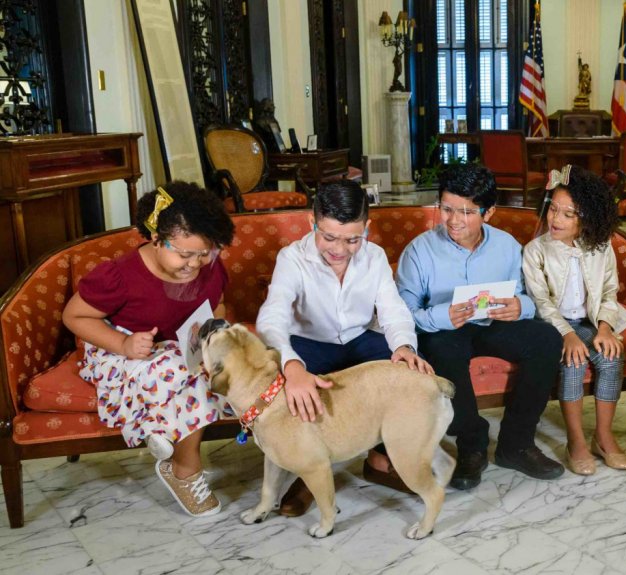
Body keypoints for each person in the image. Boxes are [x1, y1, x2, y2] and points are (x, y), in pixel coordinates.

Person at [257, 180, 432, 516]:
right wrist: (291, 366)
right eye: (329, 237)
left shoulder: (375, 256)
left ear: (367, 228)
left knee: (410, 372)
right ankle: (307, 472)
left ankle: (382, 459)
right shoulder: (291, 258)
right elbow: (272, 316)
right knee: (289, 386)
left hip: (360, 338)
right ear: (312, 222)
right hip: (309, 345)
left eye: (352, 239)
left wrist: (405, 346)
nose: (339, 249)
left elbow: (393, 310)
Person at [64, 181, 235, 518]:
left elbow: (218, 304)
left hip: (178, 344)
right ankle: (184, 469)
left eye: (205, 253)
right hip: (120, 348)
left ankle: (161, 428)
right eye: (184, 254)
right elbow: (74, 315)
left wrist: (214, 333)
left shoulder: (209, 266)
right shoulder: (120, 276)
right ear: (155, 239)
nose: (195, 264)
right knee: (173, 369)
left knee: (210, 370)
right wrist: (123, 344)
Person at [396, 164, 565, 490]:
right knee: (440, 346)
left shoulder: (507, 246)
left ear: (488, 213)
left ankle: (516, 444)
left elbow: (530, 297)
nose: (453, 220)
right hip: (445, 330)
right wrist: (443, 316)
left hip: (493, 324)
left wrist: (520, 306)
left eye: (467, 212)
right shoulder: (419, 251)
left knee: (545, 338)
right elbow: (403, 313)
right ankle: (471, 444)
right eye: (446, 209)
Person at [522, 165, 626, 475]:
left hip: (591, 322)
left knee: (611, 356)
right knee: (573, 360)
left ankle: (603, 436)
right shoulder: (535, 251)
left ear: (586, 218)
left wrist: (605, 328)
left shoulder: (601, 247)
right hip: (553, 326)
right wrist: (566, 336)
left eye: (567, 214)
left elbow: (610, 291)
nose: (555, 219)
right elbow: (541, 302)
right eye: (553, 209)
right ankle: (576, 442)